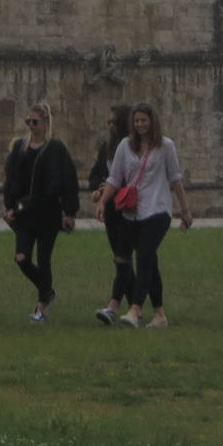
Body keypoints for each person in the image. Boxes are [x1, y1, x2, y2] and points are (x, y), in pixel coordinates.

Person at [96, 102, 192, 328]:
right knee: (127, 259)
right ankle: (159, 314)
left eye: (144, 120)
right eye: (136, 121)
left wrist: (185, 210)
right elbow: (114, 178)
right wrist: (102, 201)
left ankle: (135, 309)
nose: (140, 124)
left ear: (152, 121)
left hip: (158, 210)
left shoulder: (166, 146)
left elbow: (175, 180)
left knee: (144, 257)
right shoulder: (125, 146)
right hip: (132, 212)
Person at [3, 103, 79, 323]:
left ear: (46, 123)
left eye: (35, 122)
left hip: (48, 213)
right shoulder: (20, 147)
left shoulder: (56, 149)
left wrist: (69, 212)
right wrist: (9, 206)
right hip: (24, 213)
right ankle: (47, 291)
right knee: (21, 258)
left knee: (44, 259)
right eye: (29, 121)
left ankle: (41, 309)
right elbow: (10, 177)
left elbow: (69, 180)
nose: (31, 126)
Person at [88, 105, 135, 325]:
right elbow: (97, 173)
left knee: (122, 259)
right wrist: (98, 189)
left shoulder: (134, 147)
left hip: (128, 208)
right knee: (121, 259)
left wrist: (109, 188)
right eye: (109, 122)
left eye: (114, 122)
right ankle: (135, 306)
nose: (110, 126)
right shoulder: (107, 147)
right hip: (111, 210)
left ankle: (114, 306)